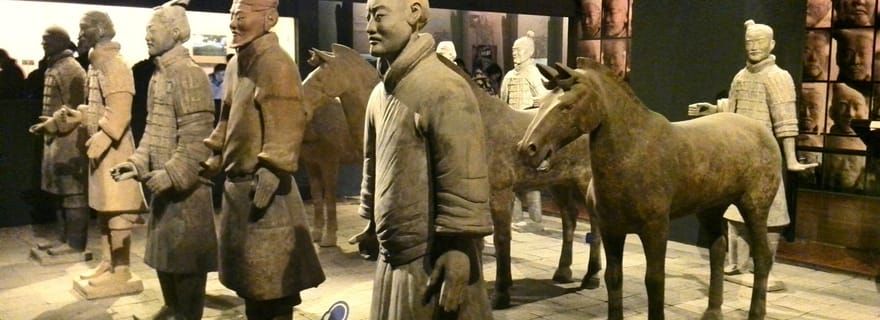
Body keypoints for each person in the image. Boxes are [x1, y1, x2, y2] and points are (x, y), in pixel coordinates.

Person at [354, 0, 494, 318]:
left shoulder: (445, 88)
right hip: (394, 253)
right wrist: (372, 223)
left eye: (379, 15)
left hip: (433, 259)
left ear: (415, 13)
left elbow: (463, 174)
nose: (370, 27)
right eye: (367, 18)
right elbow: (372, 164)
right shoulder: (380, 94)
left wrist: (459, 249)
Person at [201, 0, 325, 318]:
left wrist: (273, 166)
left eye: (240, 16)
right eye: (231, 16)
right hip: (240, 191)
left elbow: (287, 117)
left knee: (273, 286)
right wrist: (216, 152)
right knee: (251, 283)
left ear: (269, 18)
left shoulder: (276, 63)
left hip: (267, 196)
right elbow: (226, 116)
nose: (233, 23)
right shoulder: (236, 64)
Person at [688, 20, 817, 290]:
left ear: (771, 45)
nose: (754, 47)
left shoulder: (778, 77)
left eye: (760, 42)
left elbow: (786, 121)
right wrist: (712, 110)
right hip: (738, 158)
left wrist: (791, 159)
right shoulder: (740, 76)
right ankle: (737, 266)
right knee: (735, 214)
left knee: (770, 215)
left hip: (764, 159)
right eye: (749, 42)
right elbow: (734, 113)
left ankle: (764, 271)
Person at [110, 1, 217, 318]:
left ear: (174, 32)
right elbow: (153, 133)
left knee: (185, 271)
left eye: (152, 29)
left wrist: (171, 174)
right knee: (166, 267)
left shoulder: (189, 74)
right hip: (164, 193)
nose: (147, 36)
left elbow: (198, 140)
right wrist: (137, 163)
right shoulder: (159, 76)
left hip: (187, 196)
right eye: (146, 30)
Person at [33, 11, 149, 297]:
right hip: (100, 149)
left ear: (98, 30)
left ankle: (121, 271)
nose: (80, 35)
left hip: (116, 151)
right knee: (105, 209)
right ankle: (108, 263)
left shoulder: (115, 64)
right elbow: (93, 109)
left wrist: (103, 135)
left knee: (118, 211)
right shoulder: (98, 63)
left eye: (84, 29)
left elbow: (120, 111)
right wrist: (70, 118)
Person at [27, 26, 88, 258]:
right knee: (60, 192)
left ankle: (75, 244)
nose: (44, 43)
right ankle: (63, 238)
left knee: (73, 194)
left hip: (70, 141)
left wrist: (55, 124)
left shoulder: (71, 68)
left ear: (61, 41)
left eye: (48, 40)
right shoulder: (56, 65)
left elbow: (77, 109)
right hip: (56, 138)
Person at [500, 30, 548, 233]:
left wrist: (538, 101)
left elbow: (546, 100)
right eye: (513, 50)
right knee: (512, 179)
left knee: (530, 179)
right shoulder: (510, 75)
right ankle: (516, 217)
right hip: (512, 132)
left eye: (518, 49)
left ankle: (536, 219)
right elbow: (502, 102)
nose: (515, 53)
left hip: (528, 131)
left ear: (529, 51)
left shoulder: (534, 74)